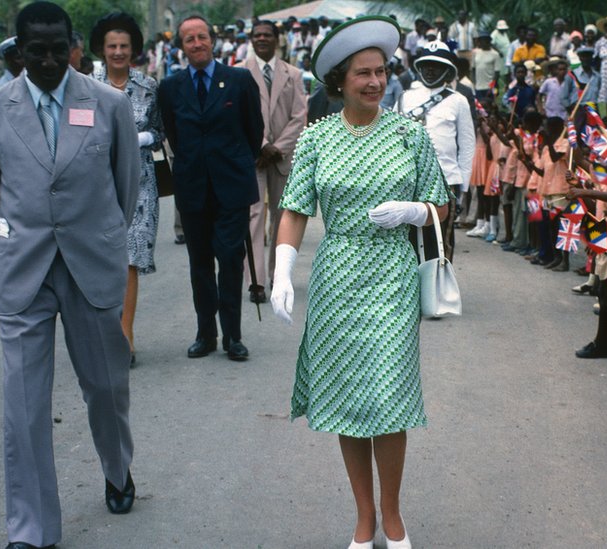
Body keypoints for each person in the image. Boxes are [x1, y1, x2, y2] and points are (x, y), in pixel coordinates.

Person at [269, 16, 449, 549]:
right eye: (362, 74)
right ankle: (363, 519)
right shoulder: (318, 138)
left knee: (389, 394)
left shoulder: (409, 135)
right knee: (348, 397)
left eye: (380, 71)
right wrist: (281, 270)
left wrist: (415, 211)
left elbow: (442, 204)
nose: (374, 81)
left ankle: (393, 519)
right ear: (340, 81)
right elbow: (295, 209)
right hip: (337, 276)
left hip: (392, 275)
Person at [0, 3, 141, 547]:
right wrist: (16, 239)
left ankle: (117, 469)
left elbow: (126, 188)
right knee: (23, 404)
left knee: (106, 387)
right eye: (35, 51)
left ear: (73, 45)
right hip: (23, 269)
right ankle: (31, 527)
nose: (47, 61)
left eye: (56, 48)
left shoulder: (109, 104)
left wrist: (98, 237)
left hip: (91, 264)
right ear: (18, 51)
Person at [158, 15, 263, 361]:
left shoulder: (238, 79)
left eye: (202, 37)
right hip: (192, 189)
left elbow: (253, 131)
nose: (197, 44)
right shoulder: (171, 87)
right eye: (189, 40)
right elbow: (174, 135)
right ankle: (206, 334)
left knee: (231, 260)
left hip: (231, 187)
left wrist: (234, 165)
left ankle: (233, 336)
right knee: (199, 263)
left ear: (212, 41)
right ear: (182, 47)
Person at [89, 12, 163, 367]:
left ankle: (125, 334)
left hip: (139, 183)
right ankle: (101, 333)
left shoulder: (148, 86)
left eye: (124, 46)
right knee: (102, 259)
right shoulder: (86, 84)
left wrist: (139, 138)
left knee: (129, 259)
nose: (118, 52)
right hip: (94, 184)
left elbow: (160, 133)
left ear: (133, 50)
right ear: (102, 50)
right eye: (112, 46)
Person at [236, 19, 308, 304]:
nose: (262, 39)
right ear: (251, 40)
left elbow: (299, 116)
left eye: (267, 35)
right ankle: (256, 281)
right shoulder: (239, 73)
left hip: (282, 157)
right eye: (257, 35)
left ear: (277, 39)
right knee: (254, 216)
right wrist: (261, 144)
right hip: (253, 156)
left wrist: (277, 147)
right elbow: (238, 116)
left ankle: (279, 276)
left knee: (282, 217)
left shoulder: (293, 74)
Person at [401, 40, 475, 256]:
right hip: (408, 180)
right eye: (426, 65)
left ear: (448, 70)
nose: (431, 70)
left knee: (441, 241)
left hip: (445, 182)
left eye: (437, 65)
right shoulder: (405, 98)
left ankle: (440, 288)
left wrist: (462, 188)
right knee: (407, 239)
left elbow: (467, 146)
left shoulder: (458, 101)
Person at [472, 31, 502, 102]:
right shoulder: (475, 53)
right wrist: (474, 83)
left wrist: (491, 87)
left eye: (485, 40)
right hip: (478, 87)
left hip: (489, 87)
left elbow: (497, 73)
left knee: (490, 106)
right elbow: (473, 69)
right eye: (481, 40)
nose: (483, 42)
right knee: (480, 107)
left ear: (489, 41)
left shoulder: (495, 54)